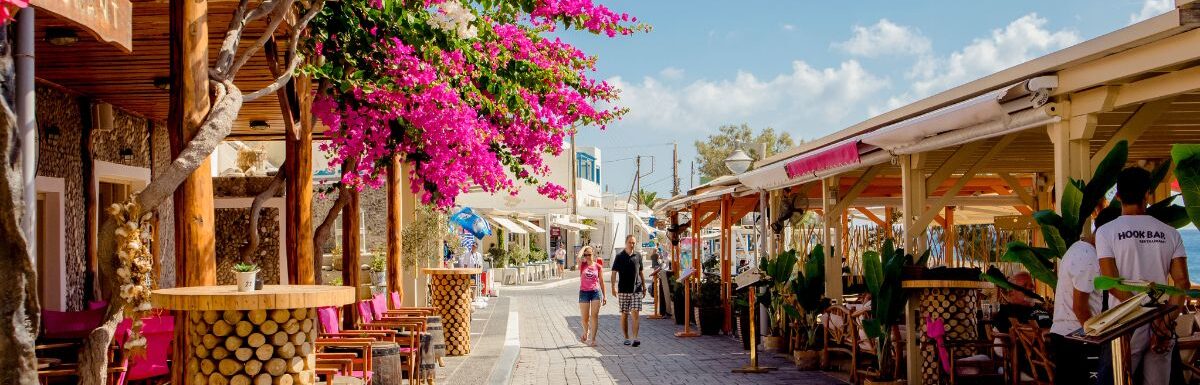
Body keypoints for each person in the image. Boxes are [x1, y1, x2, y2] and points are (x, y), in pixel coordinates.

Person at [1097, 167, 1189, 385]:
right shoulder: (1170, 233)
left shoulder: (1106, 232)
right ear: (1148, 193)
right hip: (1161, 322)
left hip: (1125, 324)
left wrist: (1139, 314)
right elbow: (1182, 282)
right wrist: (1164, 324)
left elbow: (1111, 283)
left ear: (1117, 196)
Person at [1049, 202, 1111, 385]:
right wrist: (1097, 338)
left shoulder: (1079, 248)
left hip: (1067, 336)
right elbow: (1080, 308)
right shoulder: (1089, 258)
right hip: (1075, 338)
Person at [610, 234, 646, 347]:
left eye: (634, 243)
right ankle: (626, 337)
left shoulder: (638, 255)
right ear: (626, 243)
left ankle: (635, 338)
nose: (632, 244)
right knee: (625, 314)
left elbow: (641, 272)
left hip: (637, 289)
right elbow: (614, 273)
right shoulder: (619, 256)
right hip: (623, 290)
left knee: (635, 313)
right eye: (630, 242)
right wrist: (613, 287)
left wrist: (644, 286)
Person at [576, 246, 606, 347]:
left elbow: (601, 281)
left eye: (589, 254)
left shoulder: (598, 266)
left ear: (593, 255)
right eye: (586, 255)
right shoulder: (582, 265)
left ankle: (593, 339)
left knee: (594, 316)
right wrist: (585, 247)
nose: (587, 256)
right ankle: (586, 332)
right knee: (584, 318)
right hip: (584, 292)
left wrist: (604, 296)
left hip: (595, 292)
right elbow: (578, 258)